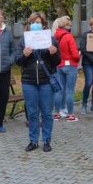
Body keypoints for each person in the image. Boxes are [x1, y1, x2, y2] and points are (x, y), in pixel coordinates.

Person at [16, 12, 60, 152]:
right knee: (32, 113)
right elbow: (17, 61)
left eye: (39, 22)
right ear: (29, 24)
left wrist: (53, 53)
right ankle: (33, 141)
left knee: (47, 113)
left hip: (46, 81)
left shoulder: (51, 40)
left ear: (44, 24)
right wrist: (24, 55)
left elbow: (57, 62)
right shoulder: (23, 40)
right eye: (33, 22)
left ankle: (46, 140)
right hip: (29, 82)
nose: (36, 25)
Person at [52, 16, 81, 122]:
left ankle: (56, 114)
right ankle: (70, 115)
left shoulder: (55, 36)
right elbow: (75, 55)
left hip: (59, 65)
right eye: (69, 25)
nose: (70, 27)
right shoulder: (69, 37)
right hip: (70, 66)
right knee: (70, 91)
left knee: (59, 90)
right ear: (66, 26)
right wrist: (78, 57)